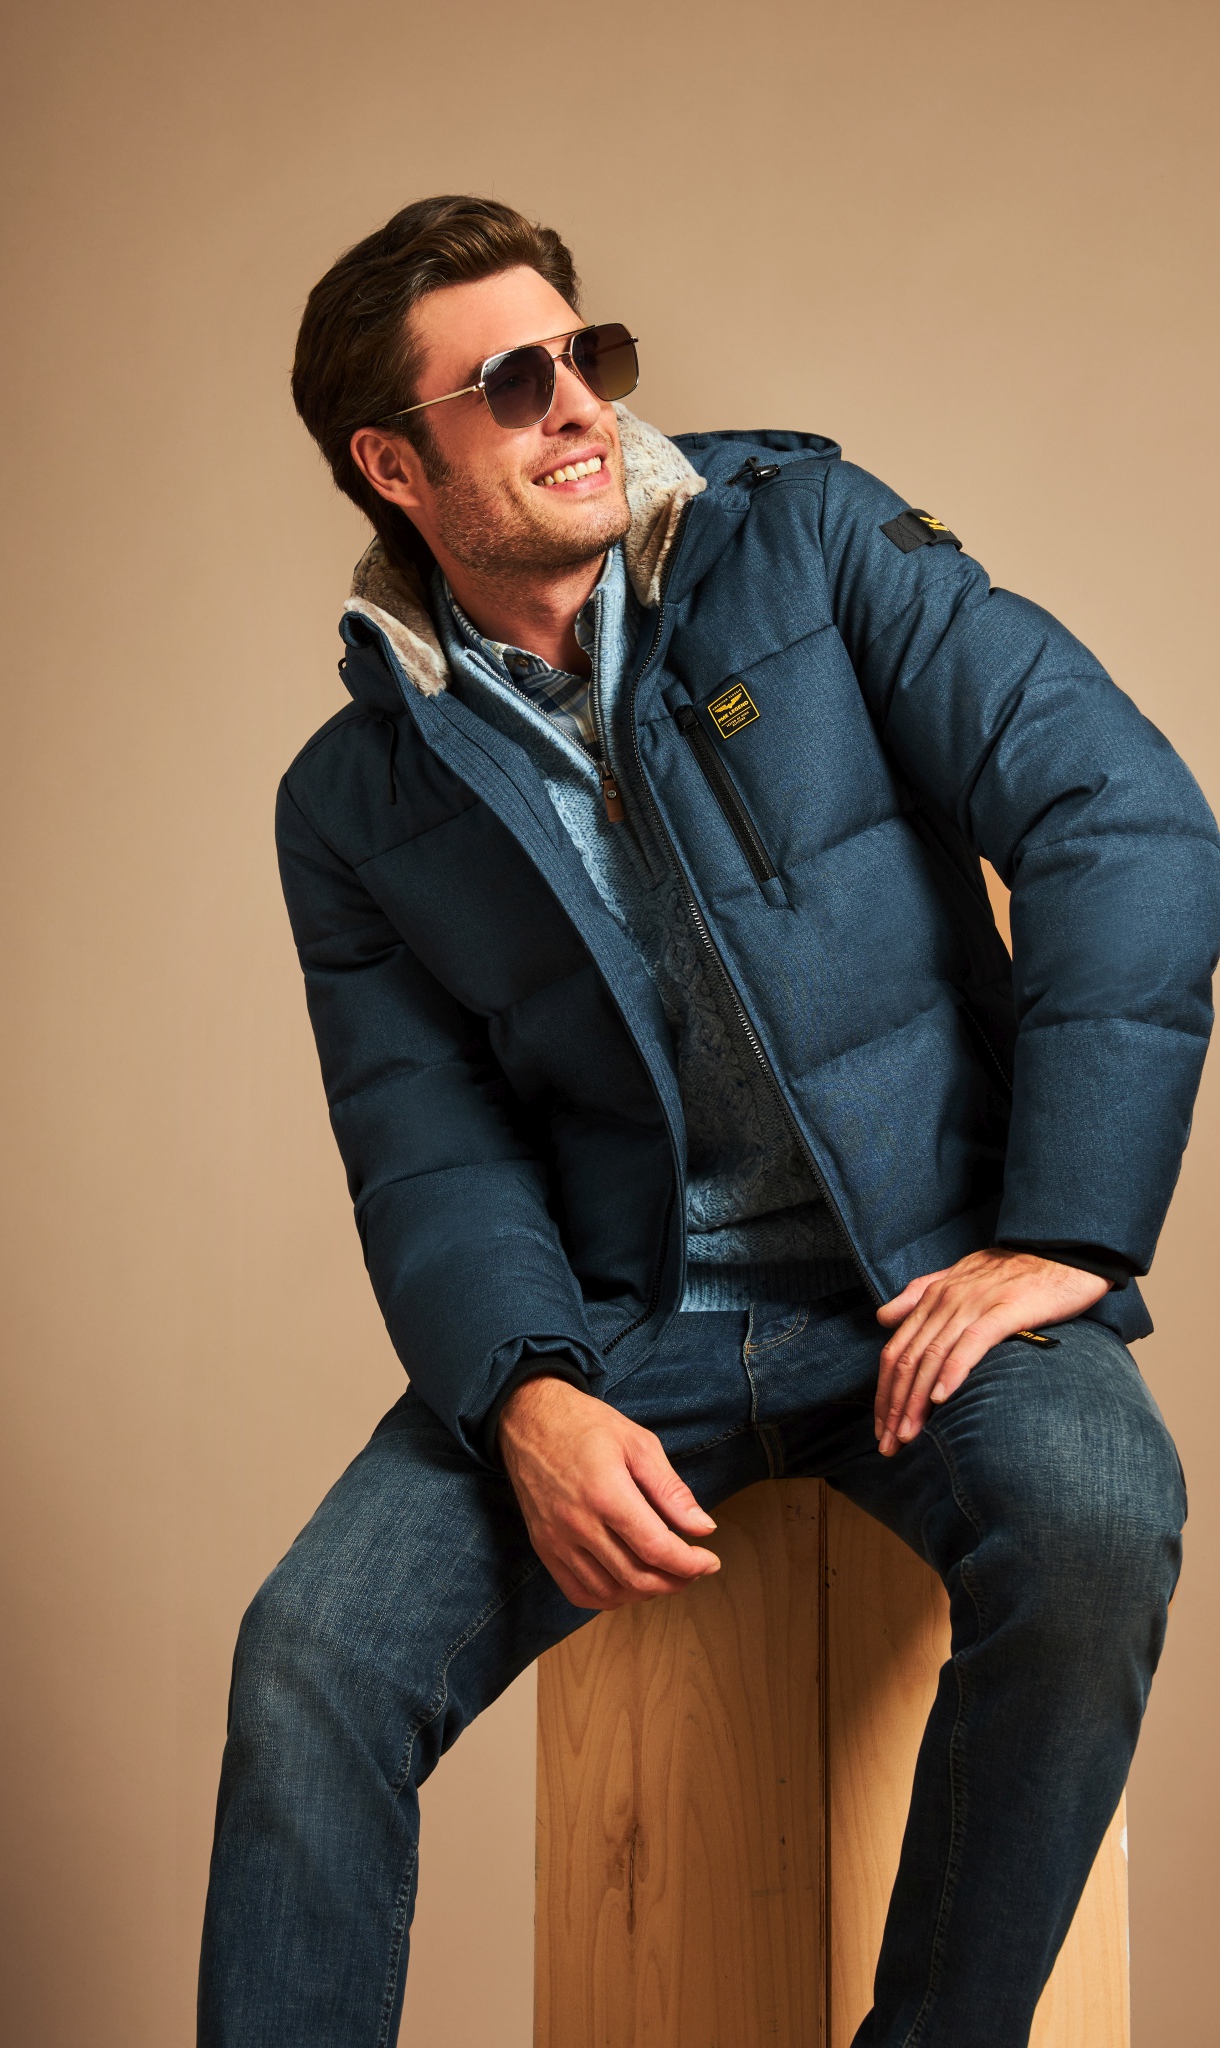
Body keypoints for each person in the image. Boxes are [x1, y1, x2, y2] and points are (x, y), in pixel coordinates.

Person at [196, 195, 1220, 2048]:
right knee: (310, 1664)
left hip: (919, 1282)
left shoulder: (806, 542)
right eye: (514, 383)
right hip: (625, 1329)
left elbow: (1122, 815)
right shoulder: (350, 801)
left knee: (1096, 1516)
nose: (581, 404)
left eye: (586, 355)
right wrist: (528, 1394)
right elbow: (426, 1143)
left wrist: (1061, 1230)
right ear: (393, 464)